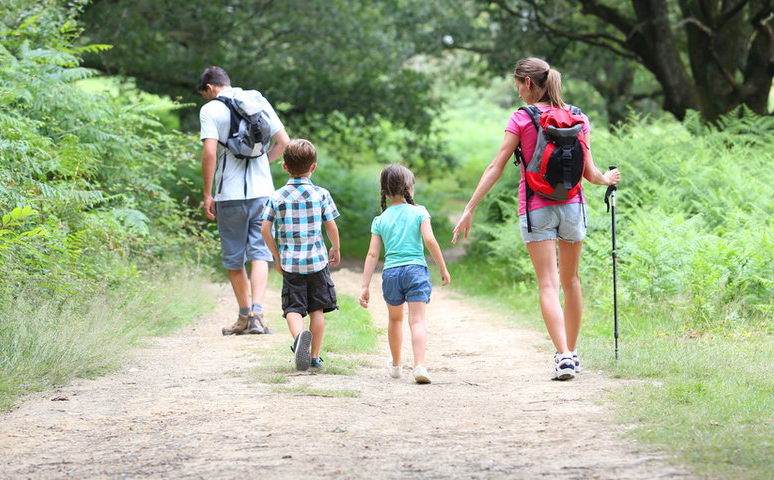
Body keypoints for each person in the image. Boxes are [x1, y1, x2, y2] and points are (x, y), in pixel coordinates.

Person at [451, 57, 621, 381]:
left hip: (536, 207)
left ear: (528, 83)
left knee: (548, 283)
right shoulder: (578, 117)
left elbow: (496, 166)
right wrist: (607, 178)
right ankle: (572, 352)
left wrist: (469, 207)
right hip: (574, 207)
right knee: (572, 282)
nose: (517, 94)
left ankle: (563, 357)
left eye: (518, 85)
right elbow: (590, 173)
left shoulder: (521, 118)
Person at [197, 66, 290, 336]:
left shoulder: (211, 109)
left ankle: (243, 316)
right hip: (263, 192)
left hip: (230, 195)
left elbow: (209, 153)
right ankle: (258, 315)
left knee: (234, 258)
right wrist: (262, 161)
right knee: (259, 253)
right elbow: (283, 141)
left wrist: (207, 193)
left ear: (210, 88)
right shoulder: (257, 101)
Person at [359, 164, 451, 384]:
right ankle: (419, 365)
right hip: (415, 271)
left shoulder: (380, 220)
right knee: (417, 321)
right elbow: (429, 240)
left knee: (394, 319)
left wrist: (364, 285)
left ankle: (397, 365)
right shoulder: (419, 212)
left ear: (385, 192)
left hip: (391, 273)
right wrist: (442, 267)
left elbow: (372, 254)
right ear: (409, 188)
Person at [261, 139, 341, 371]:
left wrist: (276, 256)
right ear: (313, 167)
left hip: (290, 263)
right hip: (316, 261)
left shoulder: (277, 196)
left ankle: (298, 340)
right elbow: (331, 226)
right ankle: (314, 357)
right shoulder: (321, 194)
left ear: (284, 166)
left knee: (293, 308)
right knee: (317, 309)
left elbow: (265, 228)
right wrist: (334, 247)